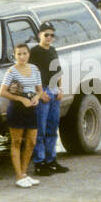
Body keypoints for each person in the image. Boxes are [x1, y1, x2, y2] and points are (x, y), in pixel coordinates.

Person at [0, 43, 44, 188]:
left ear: (29, 54)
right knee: (17, 142)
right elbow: (2, 92)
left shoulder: (35, 69)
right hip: (17, 109)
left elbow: (39, 90)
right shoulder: (11, 71)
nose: (22, 57)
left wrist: (37, 97)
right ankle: (18, 176)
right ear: (15, 55)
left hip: (31, 109)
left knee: (31, 142)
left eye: (24, 53)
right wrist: (21, 99)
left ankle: (24, 173)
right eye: (19, 54)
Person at [29, 22, 69, 177]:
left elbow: (58, 71)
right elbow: (31, 74)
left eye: (52, 35)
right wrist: (39, 93)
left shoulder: (53, 50)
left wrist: (60, 89)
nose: (49, 38)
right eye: (46, 34)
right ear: (39, 35)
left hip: (54, 90)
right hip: (43, 90)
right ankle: (39, 162)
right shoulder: (34, 52)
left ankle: (51, 160)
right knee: (41, 128)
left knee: (53, 127)